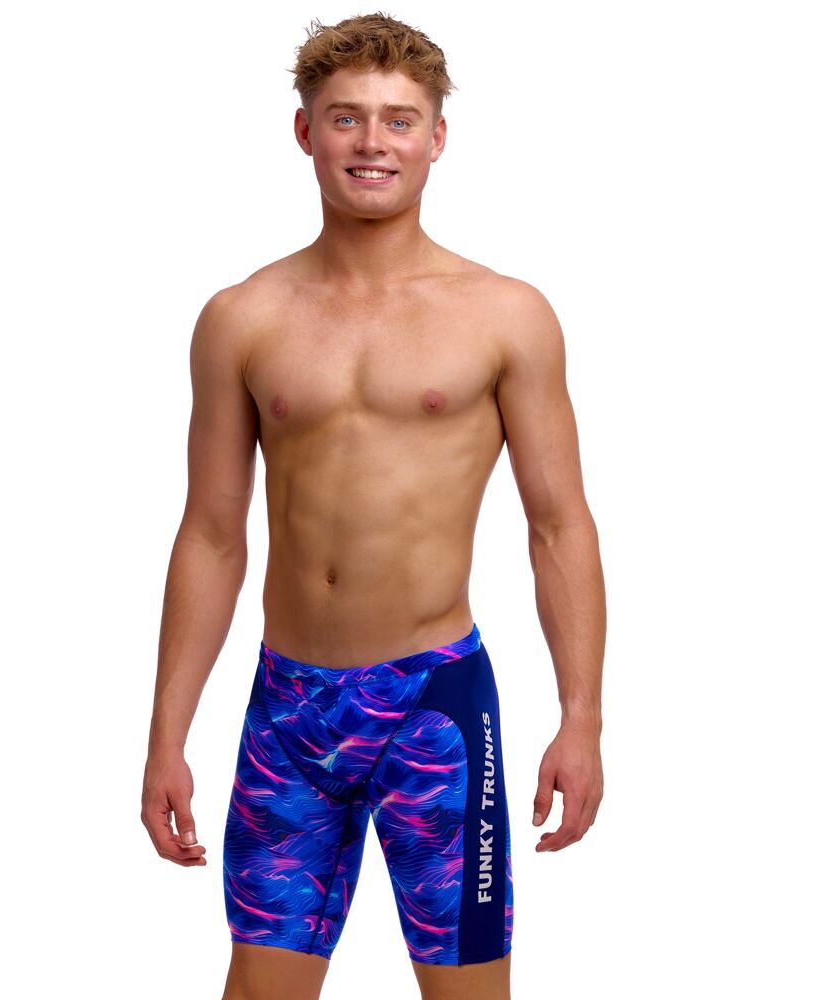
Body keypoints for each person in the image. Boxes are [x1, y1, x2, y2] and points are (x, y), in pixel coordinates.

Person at [141, 12, 605, 1000]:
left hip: (433, 708)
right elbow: (212, 534)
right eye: (346, 117)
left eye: (399, 120)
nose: (371, 142)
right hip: (288, 713)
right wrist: (165, 734)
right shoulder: (241, 317)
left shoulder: (504, 314)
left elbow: (559, 523)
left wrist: (581, 718)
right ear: (304, 131)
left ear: (437, 137)